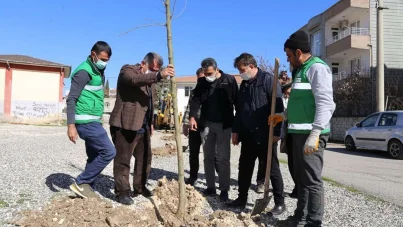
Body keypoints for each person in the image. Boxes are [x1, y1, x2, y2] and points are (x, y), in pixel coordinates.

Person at [272, 31, 335, 226]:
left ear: (299, 52)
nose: (287, 59)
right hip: (297, 134)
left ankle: (314, 221)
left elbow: (326, 103)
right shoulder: (299, 71)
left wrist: (315, 133)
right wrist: (283, 116)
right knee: (301, 179)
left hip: (311, 135)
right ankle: (299, 218)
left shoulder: (316, 68)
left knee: (312, 181)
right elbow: (300, 102)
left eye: (289, 55)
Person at [109, 52, 175, 205]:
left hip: (143, 127)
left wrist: (151, 123)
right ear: (143, 63)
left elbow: (150, 103)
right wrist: (158, 75)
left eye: (156, 70)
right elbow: (134, 80)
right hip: (125, 124)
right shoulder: (128, 70)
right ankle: (122, 192)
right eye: (152, 69)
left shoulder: (150, 82)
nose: (153, 72)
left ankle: (139, 187)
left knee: (145, 158)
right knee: (123, 160)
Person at [228, 53, 286, 216]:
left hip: (266, 134)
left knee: (272, 169)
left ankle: (280, 203)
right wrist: (236, 130)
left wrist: (276, 132)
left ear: (252, 66)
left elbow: (279, 107)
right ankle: (241, 198)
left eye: (243, 69)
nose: (241, 73)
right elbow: (240, 110)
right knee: (244, 167)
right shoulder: (245, 84)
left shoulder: (268, 80)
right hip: (247, 134)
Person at [66, 41, 116, 199]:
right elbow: (71, 99)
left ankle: (85, 188)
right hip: (85, 121)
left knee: (94, 156)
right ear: (93, 54)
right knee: (109, 151)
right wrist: (71, 126)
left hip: (93, 120)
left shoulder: (97, 71)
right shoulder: (84, 72)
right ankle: (81, 182)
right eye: (102, 59)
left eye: (107, 60)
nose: (104, 62)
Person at [189, 58, 238, 202]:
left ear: (217, 69)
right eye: (205, 73)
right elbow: (195, 100)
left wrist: (237, 127)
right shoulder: (202, 82)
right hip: (206, 125)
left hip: (224, 125)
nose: (208, 76)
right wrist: (192, 117)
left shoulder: (229, 80)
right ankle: (211, 187)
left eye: (210, 73)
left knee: (223, 159)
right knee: (208, 157)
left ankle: (224, 189)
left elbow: (237, 101)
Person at [182, 68, 219, 186]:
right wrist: (185, 123)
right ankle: (193, 177)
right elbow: (189, 108)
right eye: (199, 78)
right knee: (193, 153)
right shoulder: (194, 92)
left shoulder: (214, 91)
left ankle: (220, 178)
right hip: (195, 126)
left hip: (209, 126)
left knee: (213, 154)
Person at [279, 82, 298, 199]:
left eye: (290, 92)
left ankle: (300, 187)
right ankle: (297, 186)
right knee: (291, 162)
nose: (288, 94)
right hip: (288, 133)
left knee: (298, 163)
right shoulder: (283, 100)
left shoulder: (297, 101)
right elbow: (285, 114)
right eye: (286, 92)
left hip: (299, 134)